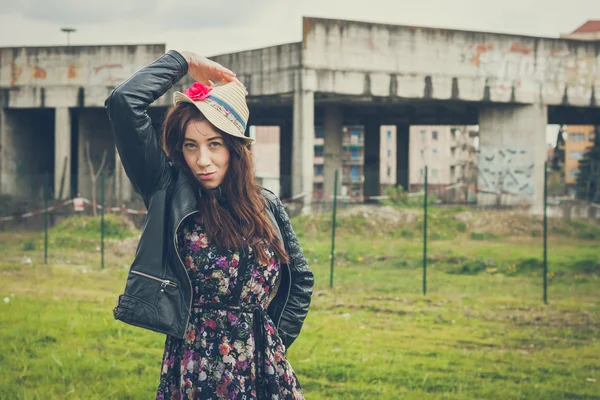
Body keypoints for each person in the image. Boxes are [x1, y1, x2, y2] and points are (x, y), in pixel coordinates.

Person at [105, 50, 314, 400]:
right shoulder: (167, 189)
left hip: (265, 365)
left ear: (235, 149)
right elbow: (124, 102)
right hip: (196, 364)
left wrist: (273, 340)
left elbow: (300, 279)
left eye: (214, 144)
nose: (202, 160)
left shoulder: (266, 205)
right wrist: (183, 62)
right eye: (191, 146)